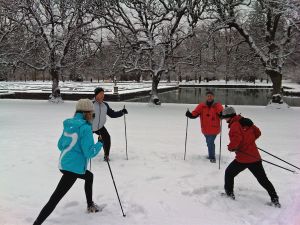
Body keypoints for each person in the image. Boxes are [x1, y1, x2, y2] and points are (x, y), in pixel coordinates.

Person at [33, 99, 103, 225]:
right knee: (55, 198)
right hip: (73, 168)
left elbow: (60, 145)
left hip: (64, 164)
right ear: (86, 113)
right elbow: (89, 153)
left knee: (89, 176)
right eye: (92, 113)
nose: (93, 116)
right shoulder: (85, 128)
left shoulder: (69, 124)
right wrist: (100, 143)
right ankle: (37, 223)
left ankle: (90, 204)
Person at [220, 106, 280, 207]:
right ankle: (275, 199)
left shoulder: (234, 125)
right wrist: (249, 141)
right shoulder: (245, 121)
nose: (224, 119)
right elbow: (258, 133)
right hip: (255, 157)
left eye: (225, 117)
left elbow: (236, 141)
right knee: (263, 179)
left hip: (243, 158)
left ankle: (229, 194)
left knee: (229, 173)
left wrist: (231, 148)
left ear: (229, 116)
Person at [185, 90, 223, 163]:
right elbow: (195, 114)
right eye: (208, 96)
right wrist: (189, 114)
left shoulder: (217, 105)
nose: (209, 97)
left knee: (210, 142)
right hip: (205, 129)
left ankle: (212, 157)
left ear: (213, 97)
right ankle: (211, 154)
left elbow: (221, 113)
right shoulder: (201, 106)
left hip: (214, 129)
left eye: (211, 96)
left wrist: (223, 114)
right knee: (209, 143)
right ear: (206, 97)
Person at [92, 87, 128, 161]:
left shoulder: (105, 105)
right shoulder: (90, 104)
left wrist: (122, 112)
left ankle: (106, 155)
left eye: (103, 94)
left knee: (107, 138)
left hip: (100, 127)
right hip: (89, 127)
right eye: (100, 94)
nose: (102, 96)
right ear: (96, 95)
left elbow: (112, 114)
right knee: (84, 139)